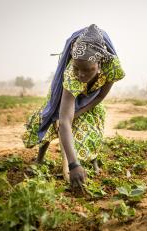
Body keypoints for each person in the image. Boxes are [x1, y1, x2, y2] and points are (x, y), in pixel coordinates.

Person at [22, 24, 125, 188]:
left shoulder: (112, 67)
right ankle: (39, 159)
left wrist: (78, 113)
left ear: (99, 64)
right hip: (66, 96)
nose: (81, 74)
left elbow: (100, 96)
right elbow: (63, 121)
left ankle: (94, 161)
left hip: (93, 96)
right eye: (77, 68)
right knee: (52, 117)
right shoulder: (71, 74)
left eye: (88, 70)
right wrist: (73, 164)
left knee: (93, 126)